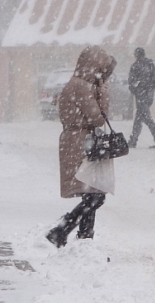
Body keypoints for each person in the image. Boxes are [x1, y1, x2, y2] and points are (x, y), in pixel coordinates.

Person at [46, 45, 116, 248]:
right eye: (102, 69)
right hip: (80, 141)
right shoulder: (81, 87)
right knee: (95, 194)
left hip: (79, 139)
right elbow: (98, 118)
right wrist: (103, 92)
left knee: (92, 192)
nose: (103, 74)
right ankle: (64, 229)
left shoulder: (80, 84)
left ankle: (84, 236)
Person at [127, 47, 155, 149]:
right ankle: (133, 140)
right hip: (148, 97)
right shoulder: (151, 65)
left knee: (146, 118)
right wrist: (150, 88)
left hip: (141, 96)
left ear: (136, 55)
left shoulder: (135, 66)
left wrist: (138, 89)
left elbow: (131, 84)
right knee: (140, 117)